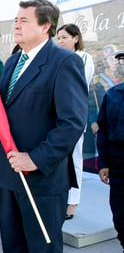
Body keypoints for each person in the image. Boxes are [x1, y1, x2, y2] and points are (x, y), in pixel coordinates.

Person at [0, 0, 87, 252]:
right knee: (13, 247)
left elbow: (72, 124)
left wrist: (35, 159)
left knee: (42, 248)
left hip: (41, 178)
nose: (16, 25)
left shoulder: (64, 62)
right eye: (16, 20)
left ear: (45, 26)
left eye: (24, 20)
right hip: (8, 175)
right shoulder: (14, 62)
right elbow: (7, 111)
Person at [57, 23, 95, 219]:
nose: (61, 41)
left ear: (76, 38)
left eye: (64, 37)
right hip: (56, 118)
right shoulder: (57, 58)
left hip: (75, 117)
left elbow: (80, 87)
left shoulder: (84, 58)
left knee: (75, 158)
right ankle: (61, 199)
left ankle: (72, 203)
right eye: (59, 38)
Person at [97, 50, 124, 253]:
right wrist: (103, 163)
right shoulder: (112, 95)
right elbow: (103, 131)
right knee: (121, 214)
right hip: (118, 163)